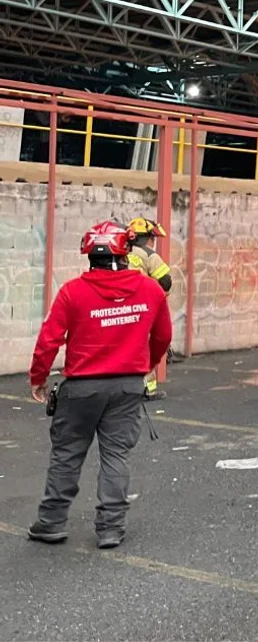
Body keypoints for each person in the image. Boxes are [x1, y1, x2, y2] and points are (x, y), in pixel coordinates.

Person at [27, 220, 172, 549]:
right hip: (127, 387)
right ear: (126, 252)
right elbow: (163, 336)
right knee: (116, 456)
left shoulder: (72, 292)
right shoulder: (150, 290)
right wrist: (145, 366)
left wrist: (38, 378)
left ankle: (51, 522)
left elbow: (48, 341)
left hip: (81, 388)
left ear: (89, 254)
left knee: (67, 455)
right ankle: (111, 528)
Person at [126, 217, 172, 401]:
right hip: (142, 308)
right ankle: (148, 389)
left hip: (119, 308)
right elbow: (166, 281)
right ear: (147, 238)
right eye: (153, 238)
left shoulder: (120, 252)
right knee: (144, 348)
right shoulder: (148, 254)